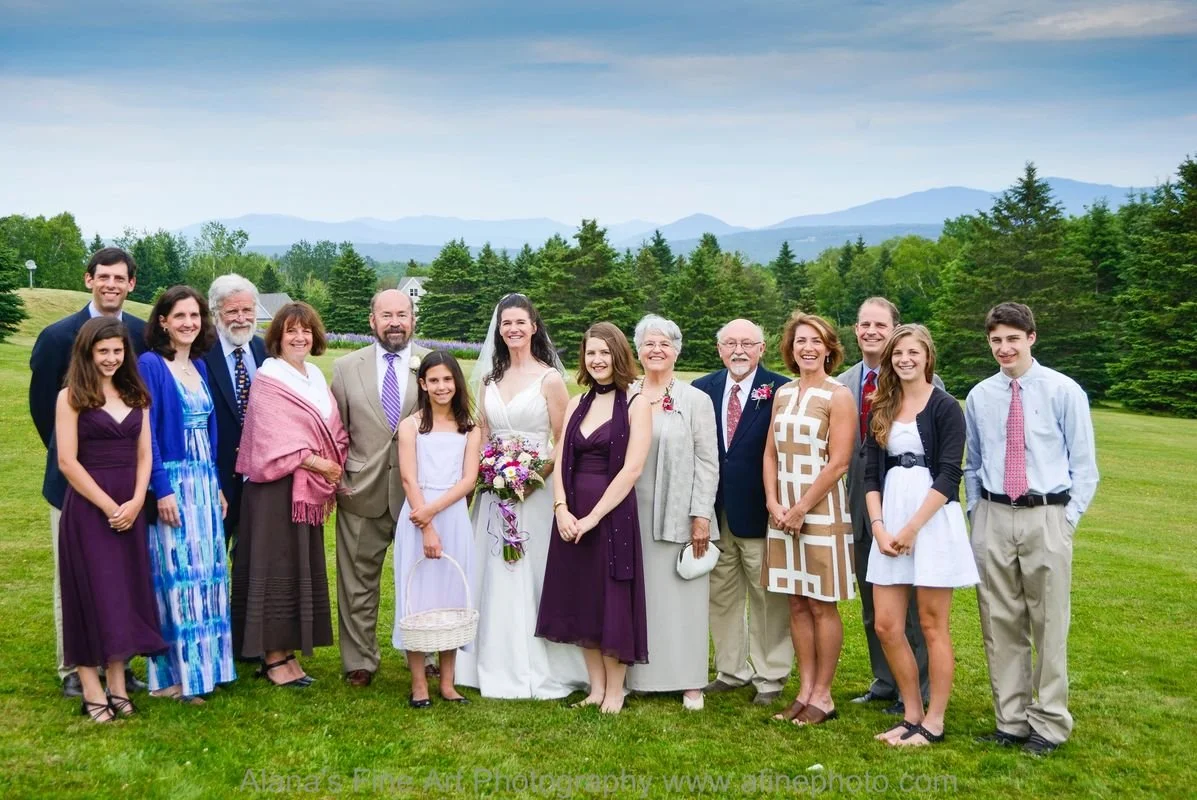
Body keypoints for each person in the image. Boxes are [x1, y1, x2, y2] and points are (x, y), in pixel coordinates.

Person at [966, 302, 1098, 757]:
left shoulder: (1063, 391)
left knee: (1048, 623)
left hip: (1047, 515)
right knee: (999, 621)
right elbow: (974, 462)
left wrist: (1066, 520)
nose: (1004, 348)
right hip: (994, 515)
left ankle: (1050, 723)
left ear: (1031, 338)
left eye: (1012, 339)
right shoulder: (981, 394)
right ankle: (1011, 720)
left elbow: (1085, 467)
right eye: (996, 340)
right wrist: (975, 514)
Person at [29, 246, 149, 698]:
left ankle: (121, 663)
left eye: (120, 278)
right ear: (89, 279)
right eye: (104, 277)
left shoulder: (139, 333)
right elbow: (46, 410)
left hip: (124, 476)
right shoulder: (58, 336)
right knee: (75, 575)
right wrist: (82, 461)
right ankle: (73, 669)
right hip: (74, 481)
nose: (112, 284)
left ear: (131, 284)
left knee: (120, 575)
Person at [455, 294, 586, 699]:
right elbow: (482, 432)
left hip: (537, 492)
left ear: (533, 327)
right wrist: (489, 472)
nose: (512, 329)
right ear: (499, 329)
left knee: (534, 572)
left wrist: (534, 477)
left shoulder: (549, 379)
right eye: (505, 323)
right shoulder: (489, 381)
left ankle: (541, 661)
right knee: (492, 572)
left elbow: (564, 439)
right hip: (495, 493)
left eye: (520, 322)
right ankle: (486, 661)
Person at [862, 324, 979, 746]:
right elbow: (871, 474)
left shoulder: (946, 407)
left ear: (928, 357)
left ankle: (934, 721)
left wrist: (912, 528)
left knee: (932, 625)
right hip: (888, 519)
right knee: (887, 625)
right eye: (898, 353)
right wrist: (879, 526)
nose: (904, 359)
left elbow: (950, 474)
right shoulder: (882, 406)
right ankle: (911, 713)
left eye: (913, 352)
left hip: (931, 521)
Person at [536, 322, 651, 714]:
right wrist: (562, 509)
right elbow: (561, 460)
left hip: (612, 515)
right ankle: (595, 689)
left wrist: (593, 517)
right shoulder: (576, 404)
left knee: (611, 599)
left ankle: (616, 691)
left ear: (618, 355)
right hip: (572, 516)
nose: (597, 359)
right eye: (590, 353)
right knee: (582, 597)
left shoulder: (636, 403)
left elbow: (632, 469)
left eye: (604, 352)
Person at [55, 318, 166, 721]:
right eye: (103, 351)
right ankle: (90, 690)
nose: (111, 358)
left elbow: (144, 455)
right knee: (90, 596)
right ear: (87, 352)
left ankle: (118, 685)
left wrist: (137, 500)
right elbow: (67, 462)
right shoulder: (71, 397)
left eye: (117, 351)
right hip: (89, 509)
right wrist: (108, 506)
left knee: (122, 595)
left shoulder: (136, 393)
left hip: (129, 507)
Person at [232, 302, 347, 687]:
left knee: (300, 563)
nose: (300, 337)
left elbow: (331, 427)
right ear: (277, 337)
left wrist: (332, 457)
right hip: (275, 490)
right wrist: (319, 464)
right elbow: (271, 441)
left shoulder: (314, 374)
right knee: (274, 565)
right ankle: (271, 656)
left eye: (307, 331)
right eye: (291, 331)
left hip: (305, 492)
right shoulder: (269, 378)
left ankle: (290, 650)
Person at [139, 286, 236, 702]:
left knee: (209, 577)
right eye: (179, 316)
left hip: (203, 482)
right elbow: (148, 436)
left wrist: (215, 486)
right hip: (173, 482)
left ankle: (207, 671)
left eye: (195, 316)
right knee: (175, 578)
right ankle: (172, 679)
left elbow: (209, 434)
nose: (188, 323)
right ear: (163, 320)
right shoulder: (150, 365)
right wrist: (161, 489)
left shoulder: (197, 364)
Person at [331, 289, 430, 687]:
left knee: (424, 578)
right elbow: (334, 432)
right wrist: (338, 479)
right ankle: (360, 660)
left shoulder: (432, 364)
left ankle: (425, 650)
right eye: (386, 314)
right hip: (361, 489)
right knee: (357, 581)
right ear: (371, 320)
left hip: (419, 493)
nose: (395, 322)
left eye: (402, 314)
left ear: (413, 319)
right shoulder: (344, 367)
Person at [840, 298, 934, 714]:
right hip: (859, 502)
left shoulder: (926, 384)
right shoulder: (842, 383)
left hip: (907, 502)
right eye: (864, 324)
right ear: (856, 330)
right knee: (871, 598)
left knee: (910, 605)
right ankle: (883, 679)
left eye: (881, 324)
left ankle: (915, 687)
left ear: (894, 328)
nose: (871, 331)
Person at [692, 320, 793, 706]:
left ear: (762, 348)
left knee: (768, 598)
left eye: (747, 344)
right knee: (721, 595)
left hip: (760, 511)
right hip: (714, 513)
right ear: (719, 349)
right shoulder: (703, 389)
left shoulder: (781, 389)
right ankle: (732, 670)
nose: (738, 350)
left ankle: (770, 677)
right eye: (730, 343)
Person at [764, 311, 855, 726]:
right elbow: (770, 454)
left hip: (820, 512)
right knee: (796, 604)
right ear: (791, 348)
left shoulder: (839, 395)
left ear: (829, 348)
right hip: (782, 513)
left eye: (816, 341)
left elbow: (838, 463)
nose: (808, 348)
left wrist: (802, 508)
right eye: (801, 341)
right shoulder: (782, 394)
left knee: (821, 604)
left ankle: (824, 695)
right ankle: (803, 690)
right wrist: (774, 502)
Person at [624, 315, 718, 710]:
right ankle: (636, 674)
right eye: (648, 344)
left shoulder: (695, 399)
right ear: (638, 350)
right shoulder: (626, 393)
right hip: (630, 509)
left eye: (664, 343)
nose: (656, 350)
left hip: (678, 511)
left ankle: (689, 680)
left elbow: (707, 461)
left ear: (677, 350)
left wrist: (701, 514)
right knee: (636, 596)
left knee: (683, 596)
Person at [391, 352, 483, 707]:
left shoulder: (470, 427)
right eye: (434, 380)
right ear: (422, 383)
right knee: (417, 597)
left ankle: (447, 682)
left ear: (456, 382)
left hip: (453, 514)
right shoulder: (411, 426)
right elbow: (408, 477)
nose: (441, 387)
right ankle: (418, 683)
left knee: (451, 596)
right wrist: (426, 521)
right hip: (417, 515)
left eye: (447, 380)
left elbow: (469, 479)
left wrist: (436, 509)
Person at [202, 274, 267, 565]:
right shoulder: (199, 355)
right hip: (215, 481)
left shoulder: (265, 351)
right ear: (216, 314)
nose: (241, 318)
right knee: (210, 562)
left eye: (247, 310)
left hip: (259, 482)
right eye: (232, 311)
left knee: (253, 567)